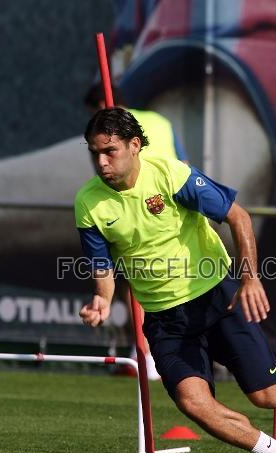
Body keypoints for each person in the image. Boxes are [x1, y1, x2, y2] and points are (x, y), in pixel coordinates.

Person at [75, 108, 276, 453]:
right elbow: (102, 266)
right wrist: (102, 300)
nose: (101, 162)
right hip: (166, 320)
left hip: (218, 298)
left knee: (266, 395)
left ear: (134, 146)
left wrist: (249, 280)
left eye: (109, 151)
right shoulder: (88, 203)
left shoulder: (170, 174)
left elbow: (239, 217)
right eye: (94, 152)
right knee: (194, 404)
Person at [84, 84, 188, 380]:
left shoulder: (112, 136)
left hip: (145, 213)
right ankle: (152, 353)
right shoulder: (160, 121)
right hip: (178, 215)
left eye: (95, 113)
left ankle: (145, 353)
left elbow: (107, 180)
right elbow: (186, 165)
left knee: (135, 284)